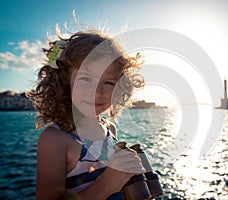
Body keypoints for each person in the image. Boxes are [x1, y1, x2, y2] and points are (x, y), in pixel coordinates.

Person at [27, 29, 146, 199]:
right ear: (64, 82)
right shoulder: (55, 139)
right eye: (86, 79)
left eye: (109, 82)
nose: (97, 92)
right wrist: (109, 181)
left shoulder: (109, 129)